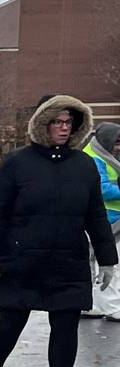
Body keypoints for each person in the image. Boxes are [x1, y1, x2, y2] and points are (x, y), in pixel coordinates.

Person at [0, 95, 117, 367]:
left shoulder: (84, 166)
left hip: (68, 261)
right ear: (42, 124)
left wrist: (108, 258)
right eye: (57, 122)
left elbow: (95, 215)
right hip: (21, 259)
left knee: (65, 325)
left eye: (69, 123)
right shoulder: (16, 164)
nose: (64, 129)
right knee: (10, 323)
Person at [81, 121, 120, 320]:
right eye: (117, 142)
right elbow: (103, 189)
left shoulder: (104, 155)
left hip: (110, 219)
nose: (119, 146)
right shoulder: (95, 158)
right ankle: (109, 306)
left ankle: (93, 304)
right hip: (104, 220)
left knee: (102, 263)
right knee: (108, 264)